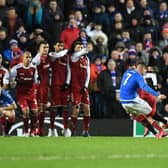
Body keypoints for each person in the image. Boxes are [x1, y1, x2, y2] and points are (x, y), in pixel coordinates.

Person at [120, 61, 167, 138]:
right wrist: (157, 94)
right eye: (145, 70)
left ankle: (156, 133)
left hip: (123, 103)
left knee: (140, 118)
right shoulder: (138, 76)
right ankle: (164, 126)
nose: (145, 72)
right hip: (132, 101)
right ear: (142, 69)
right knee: (151, 114)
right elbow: (144, 87)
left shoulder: (128, 72)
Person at [10, 51, 39, 137]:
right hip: (21, 95)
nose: (29, 59)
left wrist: (36, 87)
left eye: (30, 57)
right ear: (23, 58)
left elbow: (36, 81)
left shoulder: (34, 68)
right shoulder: (17, 68)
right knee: (26, 111)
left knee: (35, 112)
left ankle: (33, 131)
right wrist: (13, 82)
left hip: (31, 94)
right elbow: (10, 79)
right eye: (27, 57)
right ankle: (26, 132)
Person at [49, 40, 71, 137]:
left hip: (64, 86)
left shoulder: (66, 58)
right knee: (54, 108)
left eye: (62, 46)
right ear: (54, 46)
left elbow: (69, 70)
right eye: (58, 45)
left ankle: (65, 129)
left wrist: (67, 83)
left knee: (65, 108)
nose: (60, 47)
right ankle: (52, 129)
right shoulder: (52, 55)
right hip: (55, 85)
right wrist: (65, 51)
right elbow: (55, 57)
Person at [69, 41, 91, 137]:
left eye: (81, 47)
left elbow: (88, 73)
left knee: (87, 109)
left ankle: (85, 131)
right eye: (78, 47)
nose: (80, 48)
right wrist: (86, 49)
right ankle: (72, 131)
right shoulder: (73, 57)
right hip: (75, 87)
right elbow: (79, 53)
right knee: (76, 110)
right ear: (74, 48)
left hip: (83, 87)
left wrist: (86, 85)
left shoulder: (86, 59)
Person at [32, 40, 52, 136]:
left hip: (45, 86)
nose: (46, 49)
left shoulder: (49, 58)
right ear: (39, 49)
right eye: (44, 47)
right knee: (37, 109)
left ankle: (40, 129)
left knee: (43, 108)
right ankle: (34, 129)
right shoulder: (37, 58)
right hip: (38, 87)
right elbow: (33, 66)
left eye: (47, 47)